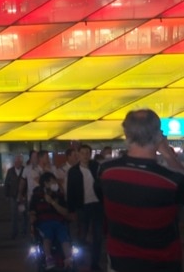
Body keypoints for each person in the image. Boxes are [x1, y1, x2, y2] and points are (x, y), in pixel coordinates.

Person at [100, 109, 184, 272]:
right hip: (161, 263)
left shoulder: (106, 172)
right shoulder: (171, 181)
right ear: (158, 136)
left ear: (126, 134)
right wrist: (167, 153)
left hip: (120, 262)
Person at [67, 144, 103, 271]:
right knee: (82, 234)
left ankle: (95, 262)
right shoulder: (73, 171)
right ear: (79, 154)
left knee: (97, 236)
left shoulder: (96, 167)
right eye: (83, 153)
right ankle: (79, 258)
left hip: (97, 205)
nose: (85, 155)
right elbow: (70, 191)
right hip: (82, 206)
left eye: (88, 153)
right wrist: (71, 209)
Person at [29, 172, 73, 270]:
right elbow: (32, 210)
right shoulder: (36, 195)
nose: (55, 184)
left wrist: (52, 202)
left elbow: (65, 212)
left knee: (64, 235)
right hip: (44, 222)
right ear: (46, 183)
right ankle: (48, 258)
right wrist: (32, 217)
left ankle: (68, 259)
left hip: (58, 221)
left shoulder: (59, 195)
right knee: (47, 234)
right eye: (53, 182)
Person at [3, 154, 26, 239]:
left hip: (23, 196)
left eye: (19, 162)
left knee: (23, 214)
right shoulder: (10, 171)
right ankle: (14, 232)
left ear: (21, 162)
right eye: (16, 162)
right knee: (14, 215)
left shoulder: (24, 170)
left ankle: (24, 231)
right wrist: (6, 195)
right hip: (13, 196)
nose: (17, 163)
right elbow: (6, 184)